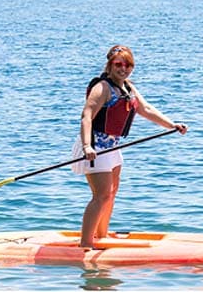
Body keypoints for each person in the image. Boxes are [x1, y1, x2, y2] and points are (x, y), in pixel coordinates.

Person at [72, 45, 187, 248]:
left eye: (128, 64)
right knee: (101, 195)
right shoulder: (102, 88)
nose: (123, 68)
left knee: (112, 192)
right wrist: (87, 146)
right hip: (95, 146)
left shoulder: (128, 87)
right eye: (118, 64)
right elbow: (86, 116)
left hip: (113, 146)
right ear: (109, 65)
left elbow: (146, 109)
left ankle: (102, 235)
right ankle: (85, 245)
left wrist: (172, 124)